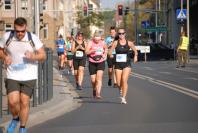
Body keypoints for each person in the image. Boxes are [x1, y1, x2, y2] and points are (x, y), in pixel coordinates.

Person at [0, 17, 46, 133]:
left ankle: (22, 127)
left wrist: (33, 56)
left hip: (29, 74)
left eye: (22, 31)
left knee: (24, 101)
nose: (20, 34)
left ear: (26, 28)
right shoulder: (7, 37)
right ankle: (15, 118)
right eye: (17, 31)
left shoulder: (32, 38)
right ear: (14, 29)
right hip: (12, 74)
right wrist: (5, 57)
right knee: (12, 101)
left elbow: (43, 56)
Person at [109, 28, 138, 104]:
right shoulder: (115, 43)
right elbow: (109, 52)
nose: (121, 35)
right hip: (118, 64)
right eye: (119, 33)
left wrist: (135, 56)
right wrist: (111, 55)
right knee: (118, 83)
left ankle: (123, 98)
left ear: (125, 34)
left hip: (127, 64)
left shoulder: (129, 43)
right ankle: (120, 89)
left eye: (122, 33)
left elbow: (135, 51)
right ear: (118, 34)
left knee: (124, 80)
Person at [86, 31, 107, 99]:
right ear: (94, 38)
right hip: (92, 62)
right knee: (93, 80)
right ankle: (94, 89)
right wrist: (92, 51)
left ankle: (98, 93)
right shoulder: (90, 42)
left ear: (100, 38)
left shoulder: (103, 42)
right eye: (96, 39)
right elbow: (86, 52)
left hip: (101, 62)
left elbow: (106, 49)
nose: (97, 41)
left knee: (99, 78)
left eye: (99, 39)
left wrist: (105, 55)